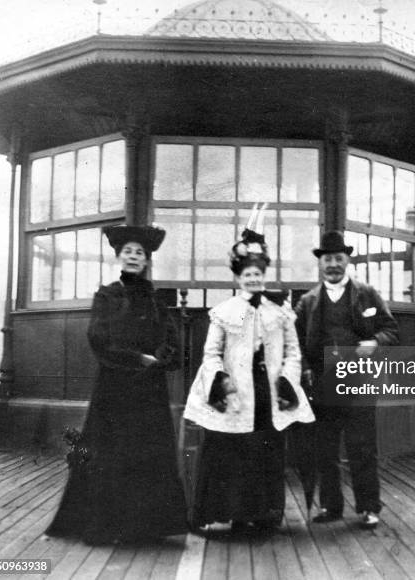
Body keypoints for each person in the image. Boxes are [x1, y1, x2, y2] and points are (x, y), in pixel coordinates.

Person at [46, 225, 187, 545]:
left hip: (149, 392)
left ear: (147, 260)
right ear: (119, 257)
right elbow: (98, 338)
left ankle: (145, 528)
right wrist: (138, 359)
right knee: (111, 454)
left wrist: (162, 356)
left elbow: (169, 339)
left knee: (146, 454)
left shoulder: (155, 299)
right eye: (128, 252)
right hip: (115, 388)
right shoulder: (107, 295)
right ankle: (108, 527)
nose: (134, 257)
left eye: (139, 253)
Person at [184, 219, 315, 531]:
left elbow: (293, 352)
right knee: (234, 453)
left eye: (257, 274)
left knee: (267, 450)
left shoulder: (279, 313)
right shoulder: (229, 311)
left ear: (263, 275)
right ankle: (237, 514)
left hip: (268, 392)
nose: (253, 279)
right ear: (239, 278)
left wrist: (287, 378)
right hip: (237, 392)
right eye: (247, 275)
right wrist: (221, 380)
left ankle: (265, 514)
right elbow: (212, 353)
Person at [295, 230, 399, 528]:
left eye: (338, 258)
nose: (333, 265)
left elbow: (392, 329)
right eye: (327, 259)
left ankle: (368, 507)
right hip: (323, 382)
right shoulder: (308, 302)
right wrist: (305, 369)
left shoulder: (366, 294)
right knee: (325, 449)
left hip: (359, 380)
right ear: (320, 263)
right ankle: (331, 507)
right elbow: (297, 343)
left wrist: (375, 342)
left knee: (362, 446)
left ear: (347, 261)